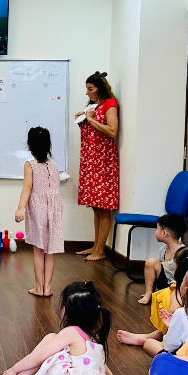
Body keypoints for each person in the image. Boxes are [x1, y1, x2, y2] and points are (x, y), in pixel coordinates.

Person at [0, 282, 122, 375]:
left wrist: (13, 370)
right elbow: (102, 366)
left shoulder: (71, 332)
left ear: (64, 310)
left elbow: (39, 356)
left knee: (51, 338)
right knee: (62, 351)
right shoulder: (95, 337)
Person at [116, 249, 188, 357]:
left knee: (149, 344)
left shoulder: (177, 303)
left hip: (183, 356)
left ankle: (147, 339)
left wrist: (169, 327)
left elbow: (168, 344)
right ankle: (147, 337)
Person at [15, 127, 65, 298]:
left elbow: (27, 187)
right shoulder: (54, 166)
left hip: (38, 209)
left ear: (29, 146)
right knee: (50, 251)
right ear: (50, 145)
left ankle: (39, 287)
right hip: (54, 209)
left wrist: (20, 207)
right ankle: (47, 288)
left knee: (38, 249)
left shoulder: (29, 165)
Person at [75, 72, 119, 262]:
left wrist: (91, 119)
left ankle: (100, 251)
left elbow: (112, 131)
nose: (87, 93)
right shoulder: (94, 106)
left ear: (100, 88)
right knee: (95, 207)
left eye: (90, 89)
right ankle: (96, 246)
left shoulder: (110, 104)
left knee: (103, 208)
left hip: (103, 163)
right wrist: (83, 119)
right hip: (91, 161)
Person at [139, 215, 187, 306]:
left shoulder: (182, 251)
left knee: (151, 261)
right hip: (165, 283)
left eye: (157, 229)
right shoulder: (163, 249)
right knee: (151, 262)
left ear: (164, 233)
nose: (155, 232)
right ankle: (149, 293)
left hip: (176, 288)